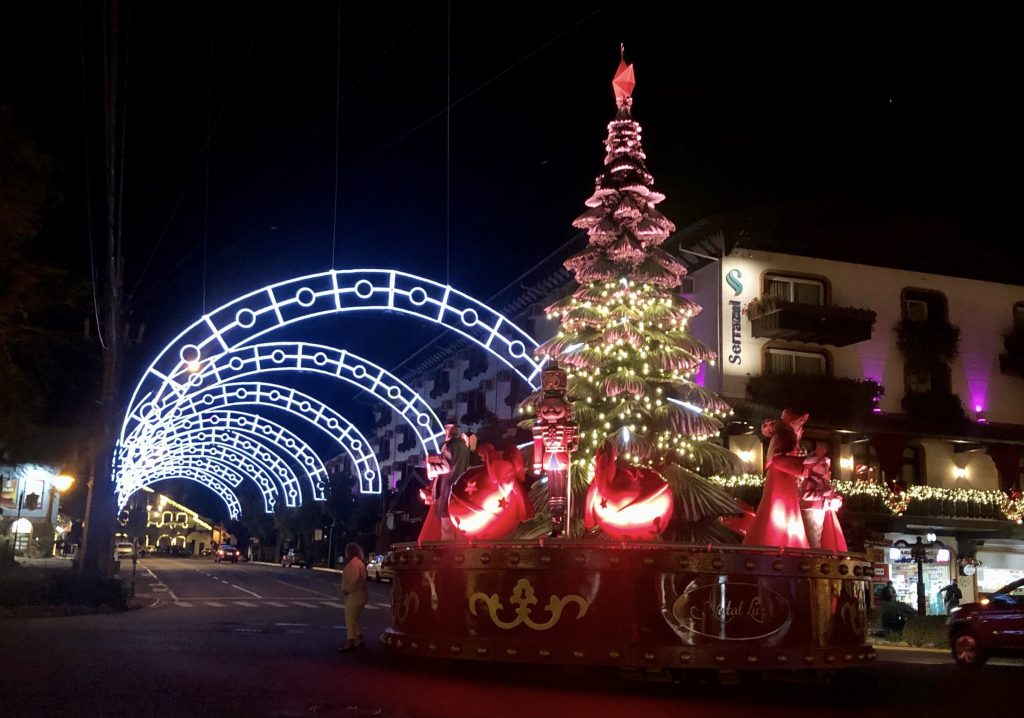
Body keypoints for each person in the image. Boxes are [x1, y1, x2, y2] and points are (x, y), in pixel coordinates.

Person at [742, 409, 811, 549]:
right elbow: (776, 459)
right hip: (782, 480)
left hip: (783, 479)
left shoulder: (786, 436)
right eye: (800, 421)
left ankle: (781, 542)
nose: (802, 424)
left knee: (781, 510)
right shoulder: (785, 436)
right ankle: (779, 543)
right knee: (780, 510)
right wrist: (802, 466)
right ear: (792, 421)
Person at [434, 422, 470, 541]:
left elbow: (446, 467)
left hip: (447, 490)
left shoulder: (449, 446)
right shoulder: (464, 447)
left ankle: (448, 557)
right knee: (459, 529)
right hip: (459, 491)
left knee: (447, 529)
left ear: (448, 431)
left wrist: (432, 468)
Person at [338, 542, 368, 652]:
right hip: (362, 594)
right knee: (354, 618)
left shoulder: (353, 564)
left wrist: (346, 589)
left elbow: (355, 579)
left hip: (355, 594)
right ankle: (359, 639)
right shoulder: (360, 563)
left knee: (349, 618)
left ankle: (350, 642)